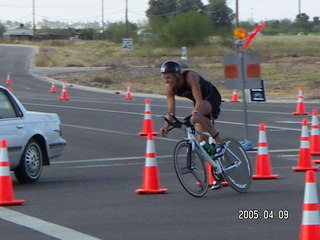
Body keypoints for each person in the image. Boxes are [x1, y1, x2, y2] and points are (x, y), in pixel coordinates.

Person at [159, 60, 226, 158]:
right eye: (164, 78)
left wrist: (195, 113)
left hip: (211, 96)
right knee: (202, 141)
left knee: (196, 115)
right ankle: (218, 167)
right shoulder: (170, 88)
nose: (166, 81)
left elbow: (199, 100)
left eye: (168, 77)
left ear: (177, 75)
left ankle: (221, 143)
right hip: (199, 104)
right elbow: (171, 111)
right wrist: (167, 126)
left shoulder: (190, 77)